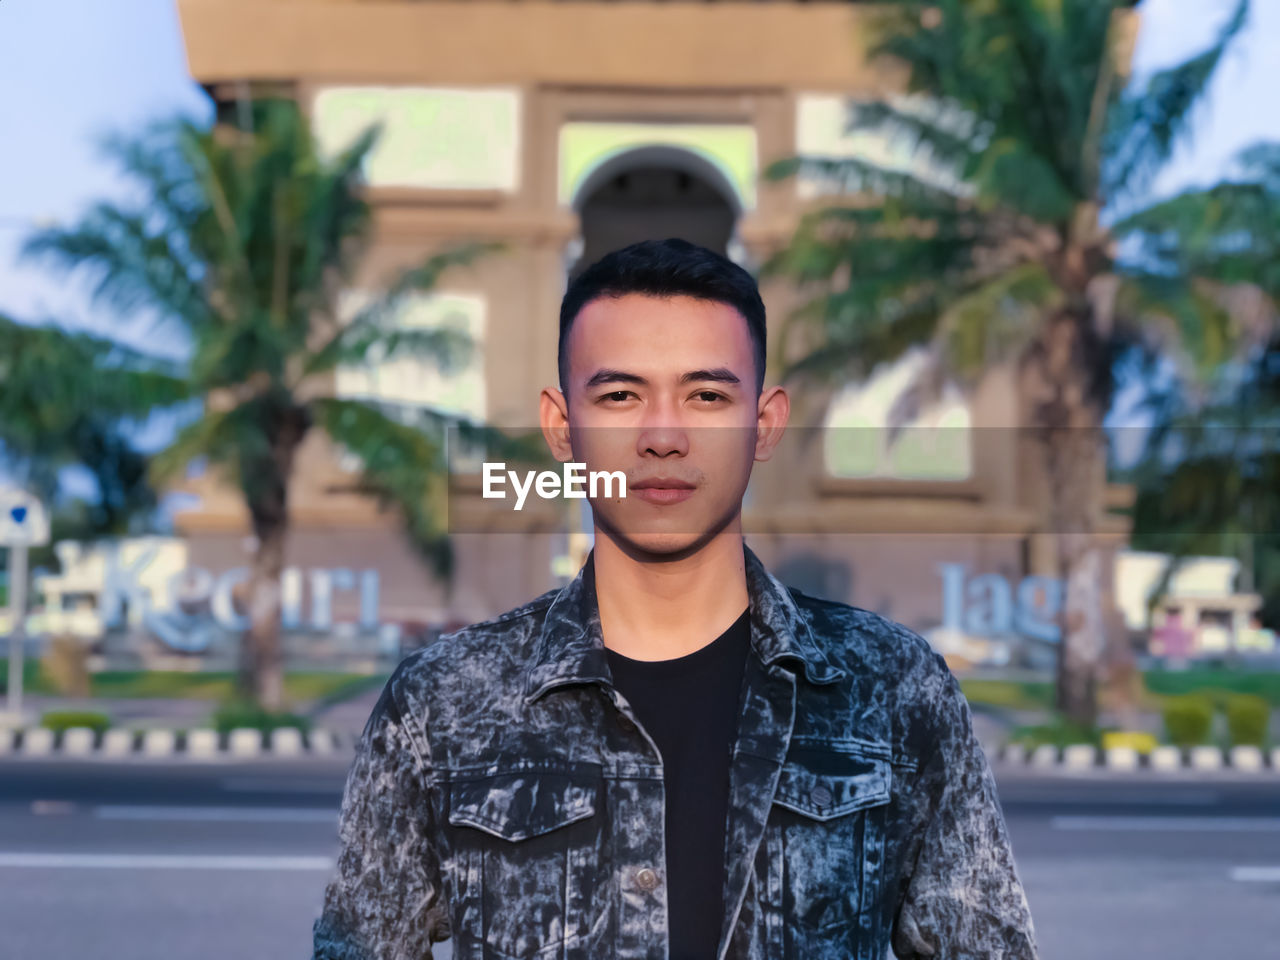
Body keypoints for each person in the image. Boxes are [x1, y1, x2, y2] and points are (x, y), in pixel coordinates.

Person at [312, 238, 1039, 960]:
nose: (663, 436)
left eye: (707, 396)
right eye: (621, 395)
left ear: (766, 423)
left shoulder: (891, 689)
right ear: (562, 427)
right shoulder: (443, 702)